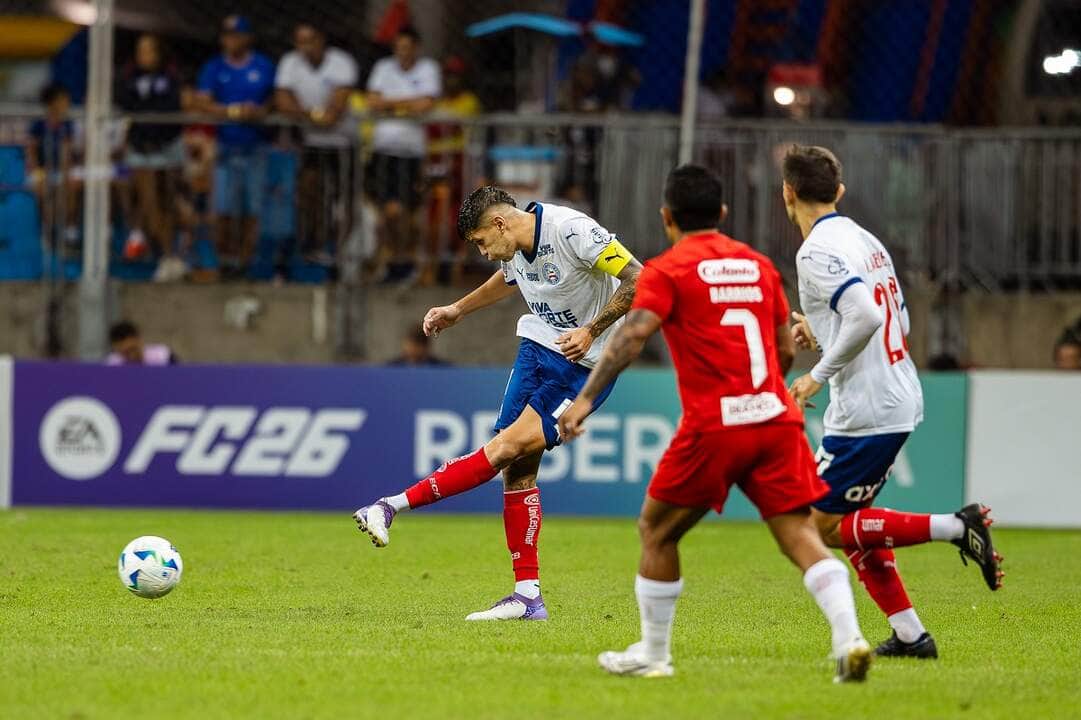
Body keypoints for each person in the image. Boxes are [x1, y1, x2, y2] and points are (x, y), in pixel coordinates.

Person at [558, 165, 870, 682]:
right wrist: (768, 390)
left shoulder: (668, 269)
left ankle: (654, 655)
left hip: (716, 425)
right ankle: (850, 638)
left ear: (667, 218)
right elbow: (785, 346)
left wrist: (585, 401)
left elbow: (633, 336)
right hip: (775, 419)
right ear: (723, 214)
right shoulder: (758, 264)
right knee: (798, 533)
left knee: (656, 531)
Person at [354, 186, 642, 620]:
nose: (485, 253)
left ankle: (390, 506)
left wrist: (592, 329)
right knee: (515, 467)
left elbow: (641, 277)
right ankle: (527, 596)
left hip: (584, 366)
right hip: (537, 347)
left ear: (500, 224)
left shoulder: (571, 231)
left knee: (506, 447)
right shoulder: (513, 249)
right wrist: (458, 309)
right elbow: (507, 278)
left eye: (482, 242)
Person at [782, 145, 1003, 659]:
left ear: (787, 193)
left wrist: (817, 374)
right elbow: (895, 318)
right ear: (839, 191)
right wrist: (821, 329)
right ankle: (911, 636)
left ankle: (955, 525)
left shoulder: (814, 250)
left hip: (867, 408)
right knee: (851, 523)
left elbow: (866, 317)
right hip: (890, 394)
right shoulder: (864, 240)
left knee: (820, 528)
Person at [195, 15, 275, 277]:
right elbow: (203, 101)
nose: (231, 41)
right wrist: (229, 111)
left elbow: (275, 98)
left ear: (247, 38)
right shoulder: (214, 67)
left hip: (256, 146)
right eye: (227, 36)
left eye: (236, 35)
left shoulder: (262, 65)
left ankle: (246, 261)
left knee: (253, 209)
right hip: (226, 146)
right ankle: (225, 261)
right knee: (224, 209)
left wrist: (260, 110)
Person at [275, 23, 358, 272]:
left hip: (343, 142)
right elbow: (282, 102)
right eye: (300, 41)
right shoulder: (290, 62)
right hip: (313, 143)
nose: (305, 47)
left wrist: (306, 114)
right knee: (310, 193)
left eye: (310, 40)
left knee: (345, 202)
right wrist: (314, 114)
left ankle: (343, 250)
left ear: (321, 39)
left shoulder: (341, 62)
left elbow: (335, 111)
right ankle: (314, 245)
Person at [365, 26, 441, 283]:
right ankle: (394, 259)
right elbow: (373, 102)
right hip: (383, 151)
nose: (402, 53)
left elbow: (426, 104)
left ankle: (405, 260)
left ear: (416, 48)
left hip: (411, 153)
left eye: (407, 48)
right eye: (399, 48)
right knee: (387, 212)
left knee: (407, 212)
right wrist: (408, 104)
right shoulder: (383, 68)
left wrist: (390, 103)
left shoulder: (428, 69)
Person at [116, 34, 186, 282]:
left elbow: (171, 111)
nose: (143, 56)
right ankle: (158, 249)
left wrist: (158, 138)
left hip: (165, 149)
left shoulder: (170, 78)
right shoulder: (129, 78)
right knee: (146, 200)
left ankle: (170, 253)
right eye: (140, 50)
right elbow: (127, 105)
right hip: (140, 150)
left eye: (148, 50)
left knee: (166, 201)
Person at [423, 56, 481, 286]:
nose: (451, 80)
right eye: (448, 75)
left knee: (461, 218)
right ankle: (431, 269)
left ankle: (457, 270)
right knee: (433, 219)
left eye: (455, 75)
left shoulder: (468, 102)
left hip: (459, 165)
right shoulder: (435, 103)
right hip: (435, 164)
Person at [27, 83, 78, 248]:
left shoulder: (67, 125)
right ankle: (47, 229)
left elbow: (67, 152)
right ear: (53, 103)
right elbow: (31, 151)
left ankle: (69, 231)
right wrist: (37, 172)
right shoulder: (39, 125)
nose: (67, 104)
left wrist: (65, 174)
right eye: (64, 100)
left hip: (60, 169)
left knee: (71, 188)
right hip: (41, 170)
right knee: (42, 189)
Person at [106, 321, 177, 365]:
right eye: (125, 353)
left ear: (138, 340)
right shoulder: (112, 364)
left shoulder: (163, 356)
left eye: (132, 349)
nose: (131, 356)